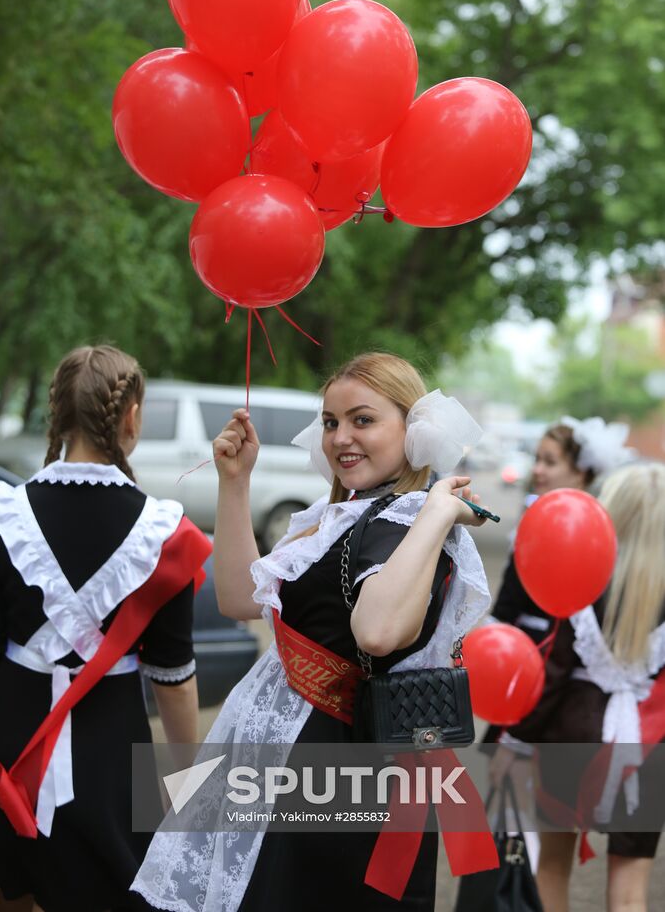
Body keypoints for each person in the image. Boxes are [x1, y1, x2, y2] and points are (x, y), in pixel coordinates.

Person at [132, 351, 495, 912]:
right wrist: (236, 483)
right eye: (331, 422)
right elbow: (238, 599)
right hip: (276, 758)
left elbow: (376, 632)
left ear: (414, 431)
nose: (340, 437)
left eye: (362, 419)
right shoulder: (347, 516)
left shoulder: (408, 522)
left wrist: (435, 512)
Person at [0, 345, 211, 912]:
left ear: (56, 415)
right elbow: (175, 677)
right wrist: (190, 788)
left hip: (11, 743)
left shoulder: (6, 516)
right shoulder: (164, 533)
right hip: (115, 751)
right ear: (132, 416)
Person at [496, 461, 665, 912]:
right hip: (647, 750)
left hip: (569, 738)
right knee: (631, 892)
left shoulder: (586, 576)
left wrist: (515, 738)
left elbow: (552, 671)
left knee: (552, 866)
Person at [492, 417, 632, 645]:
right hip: (522, 646)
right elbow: (507, 604)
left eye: (550, 462)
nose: (537, 469)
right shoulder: (535, 518)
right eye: (537, 459)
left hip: (569, 656)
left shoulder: (599, 532)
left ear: (580, 473)